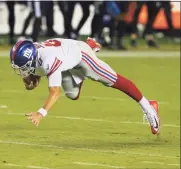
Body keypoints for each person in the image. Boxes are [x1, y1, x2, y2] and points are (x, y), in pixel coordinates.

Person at [9, 37, 160, 135]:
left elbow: (55, 93)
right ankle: (85, 56)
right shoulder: (35, 52)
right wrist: (33, 76)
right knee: (73, 94)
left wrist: (41, 113)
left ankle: (149, 107)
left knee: (114, 80)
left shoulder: (49, 60)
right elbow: (39, 67)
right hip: (66, 56)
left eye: (21, 66)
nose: (20, 70)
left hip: (81, 55)